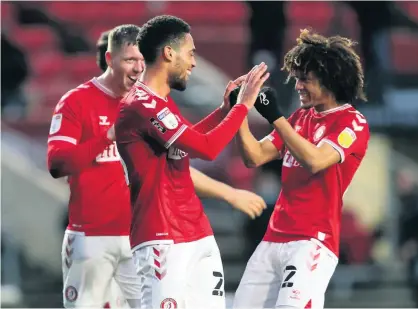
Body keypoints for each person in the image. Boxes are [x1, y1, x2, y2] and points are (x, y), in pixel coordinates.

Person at [115, 15, 269, 309]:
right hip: (161, 238)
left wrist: (225, 110)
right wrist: (242, 108)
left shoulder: (161, 104)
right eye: (191, 52)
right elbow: (207, 148)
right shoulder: (140, 106)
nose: (194, 62)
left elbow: (187, 145)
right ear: (169, 53)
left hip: (197, 234)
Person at [232, 28, 370, 308]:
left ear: (330, 78)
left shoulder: (352, 123)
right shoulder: (299, 118)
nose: (297, 86)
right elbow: (254, 157)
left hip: (312, 241)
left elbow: (316, 160)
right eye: (296, 79)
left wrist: (275, 117)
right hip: (272, 238)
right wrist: (239, 112)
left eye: (304, 79)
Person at [47, 24, 144, 308]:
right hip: (92, 236)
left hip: (141, 237)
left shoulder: (146, 104)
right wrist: (108, 136)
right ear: (111, 58)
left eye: (143, 61)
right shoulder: (76, 101)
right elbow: (57, 163)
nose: (139, 68)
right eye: (130, 60)